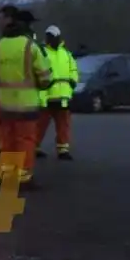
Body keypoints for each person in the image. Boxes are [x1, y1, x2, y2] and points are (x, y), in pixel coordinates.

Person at [0, 9, 52, 187]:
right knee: (25, 140)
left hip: (5, 104)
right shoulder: (30, 46)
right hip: (26, 104)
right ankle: (24, 177)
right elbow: (45, 76)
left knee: (8, 140)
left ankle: (7, 175)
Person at [36, 25, 78, 160]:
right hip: (47, 96)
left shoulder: (66, 53)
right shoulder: (42, 52)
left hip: (63, 95)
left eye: (52, 36)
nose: (50, 39)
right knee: (40, 124)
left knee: (63, 124)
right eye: (48, 36)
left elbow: (73, 70)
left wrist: (73, 82)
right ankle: (35, 147)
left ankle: (63, 149)